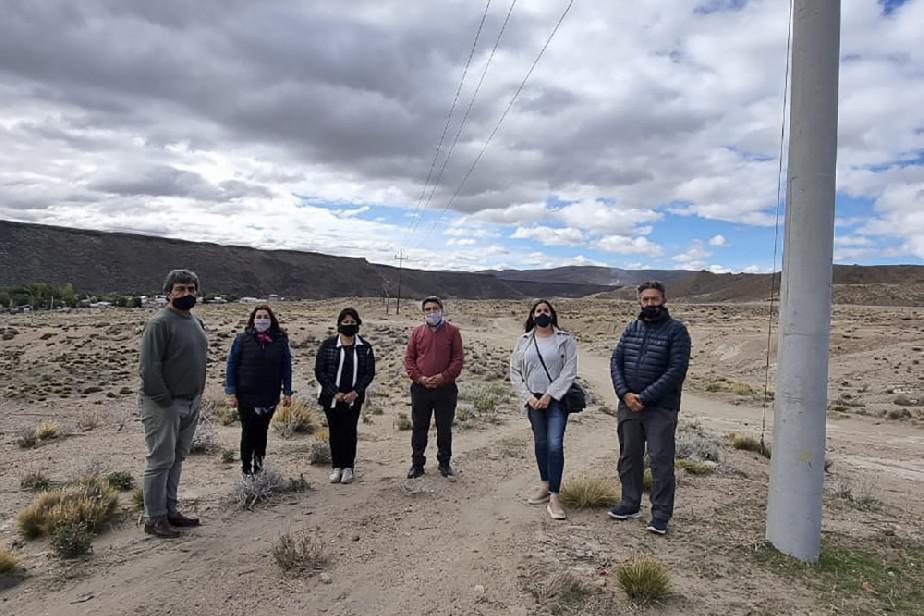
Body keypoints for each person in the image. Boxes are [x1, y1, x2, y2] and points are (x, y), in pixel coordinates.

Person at [608, 281, 691, 535]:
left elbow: (675, 371)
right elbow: (616, 361)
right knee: (629, 456)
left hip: (660, 409)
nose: (649, 304)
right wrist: (624, 394)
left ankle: (661, 514)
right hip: (629, 406)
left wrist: (644, 397)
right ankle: (630, 503)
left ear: (664, 300)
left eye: (654, 299)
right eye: (645, 300)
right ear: (639, 302)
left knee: (660, 460)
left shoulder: (677, 331)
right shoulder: (631, 328)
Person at [138, 269, 209, 538]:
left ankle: (170, 510)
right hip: (164, 404)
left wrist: (198, 393)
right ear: (168, 293)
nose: (186, 294)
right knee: (160, 460)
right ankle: (154, 518)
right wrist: (164, 400)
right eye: (180, 289)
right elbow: (149, 367)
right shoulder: (159, 323)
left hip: (191, 401)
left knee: (176, 457)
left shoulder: (195, 322)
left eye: (191, 289)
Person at [509, 299, 578, 520]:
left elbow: (569, 371)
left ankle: (554, 498)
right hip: (533, 401)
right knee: (540, 443)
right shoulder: (524, 341)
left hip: (556, 399)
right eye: (538, 310)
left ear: (552, 314)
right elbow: (515, 371)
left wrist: (550, 395)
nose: (542, 313)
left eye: (546, 310)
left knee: (554, 445)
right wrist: (529, 397)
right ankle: (544, 485)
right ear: (532, 315)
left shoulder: (565, 340)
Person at [224, 305, 293, 477]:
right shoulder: (242, 340)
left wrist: (287, 392)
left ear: (271, 320)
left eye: (265, 317)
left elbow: (286, 368)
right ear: (253, 319)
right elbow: (231, 365)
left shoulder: (280, 341)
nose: (262, 320)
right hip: (246, 395)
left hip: (269, 394)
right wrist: (231, 392)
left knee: (262, 432)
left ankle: (259, 468)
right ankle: (246, 471)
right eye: (259, 316)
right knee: (248, 432)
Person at [404, 296, 464, 479]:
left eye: (435, 308)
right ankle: (417, 464)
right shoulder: (417, 332)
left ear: (441, 309)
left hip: (445, 389)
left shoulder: (453, 332)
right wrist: (421, 378)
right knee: (419, 427)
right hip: (421, 389)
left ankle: (444, 463)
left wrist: (442, 377)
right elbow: (409, 359)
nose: (432, 312)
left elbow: (457, 360)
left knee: (444, 428)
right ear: (423, 312)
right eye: (428, 309)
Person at [314, 308, 375, 484]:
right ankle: (336, 467)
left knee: (349, 431)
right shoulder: (328, 345)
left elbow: (369, 373)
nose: (349, 325)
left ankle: (348, 467)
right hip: (332, 398)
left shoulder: (365, 348)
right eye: (345, 322)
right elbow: (320, 371)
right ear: (339, 323)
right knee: (335, 431)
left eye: (352, 322)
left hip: (353, 398)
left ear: (358, 324)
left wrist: (356, 392)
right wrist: (335, 392)